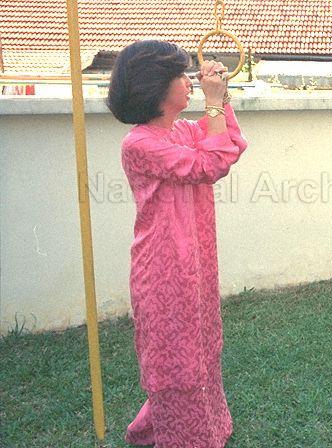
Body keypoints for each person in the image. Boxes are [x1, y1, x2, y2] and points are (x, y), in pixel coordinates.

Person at [106, 40, 247, 447]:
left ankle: (189, 430)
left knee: (202, 346)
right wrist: (214, 102)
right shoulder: (141, 143)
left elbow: (229, 141)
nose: (189, 83)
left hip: (197, 259)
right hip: (165, 263)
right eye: (180, 76)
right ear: (156, 87)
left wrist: (219, 98)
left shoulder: (182, 130)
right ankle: (180, 437)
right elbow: (211, 163)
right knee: (174, 357)